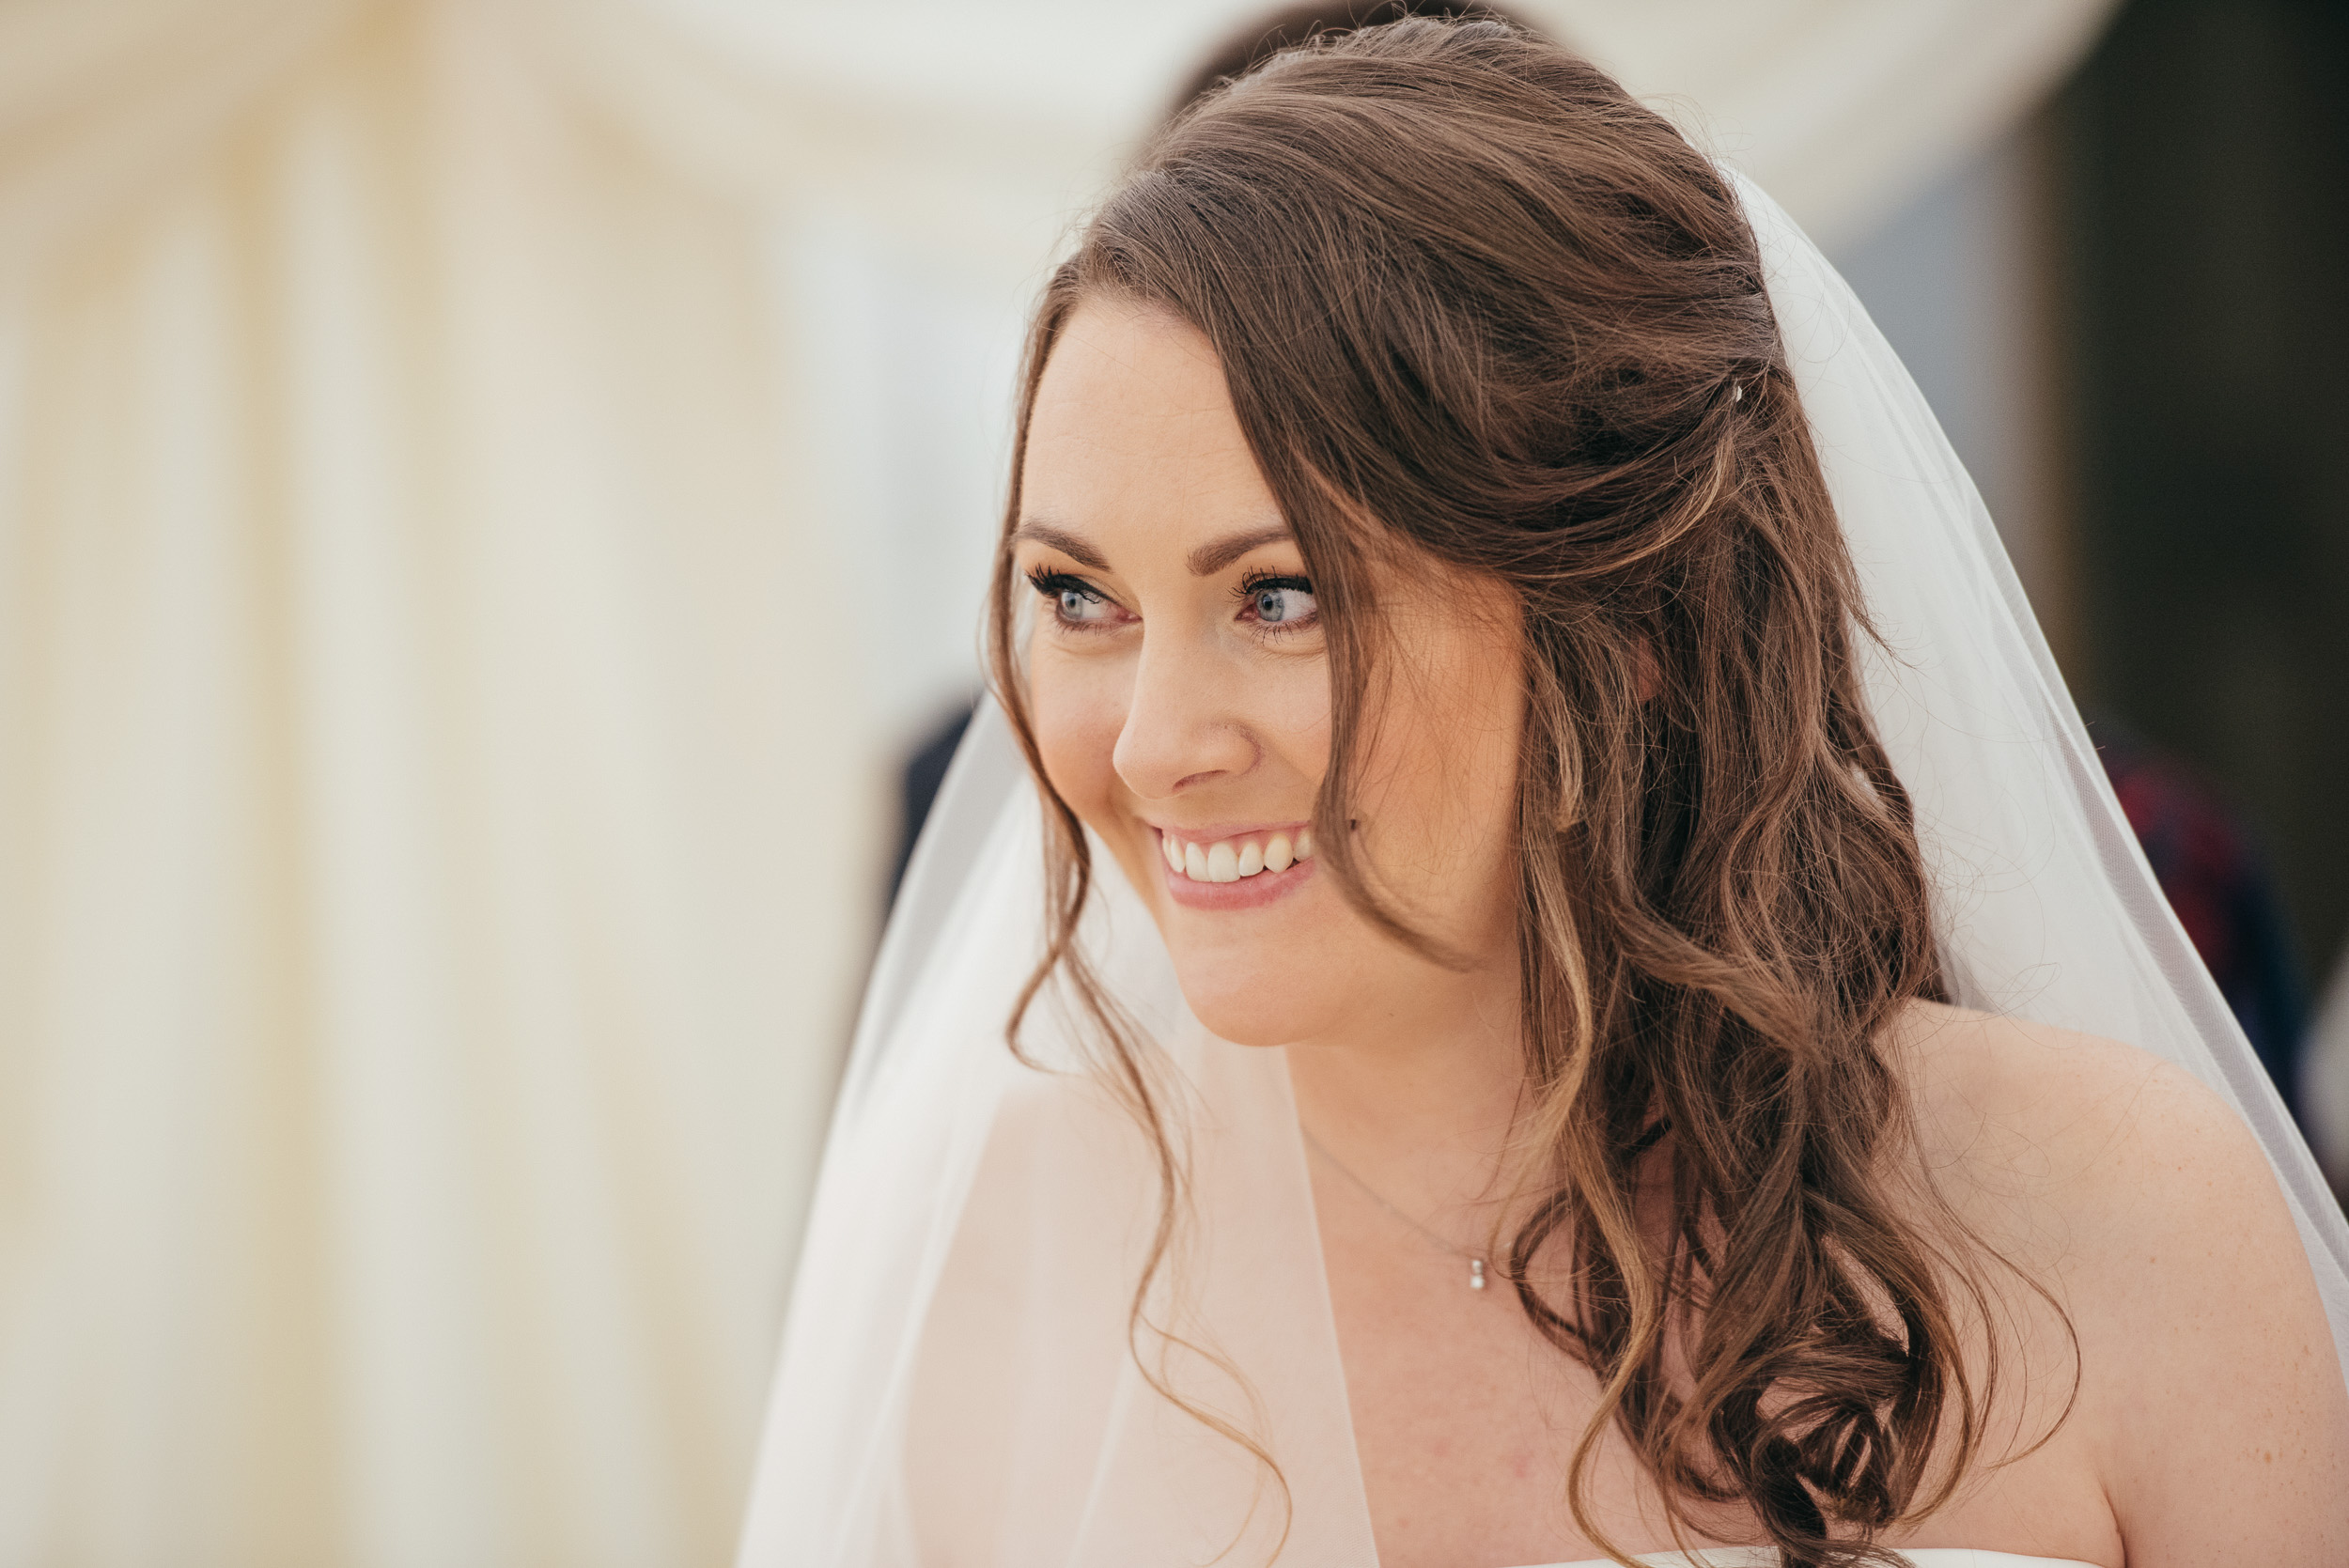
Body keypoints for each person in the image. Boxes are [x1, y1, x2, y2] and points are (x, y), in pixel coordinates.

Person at [741, 18, 2349, 1567]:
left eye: (1282, 595)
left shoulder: (2124, 1227)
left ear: (1629, 617)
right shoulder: (980, 1262)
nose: (1155, 742)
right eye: (1078, 595)